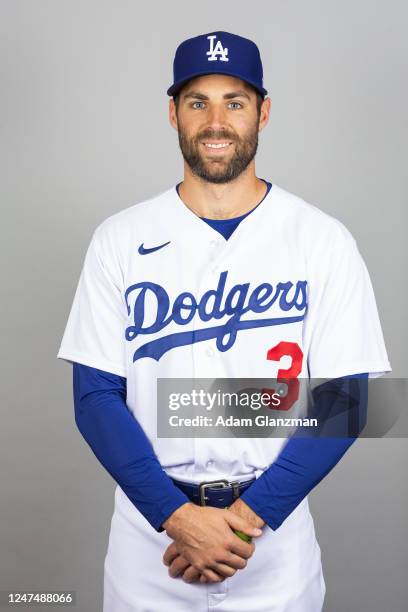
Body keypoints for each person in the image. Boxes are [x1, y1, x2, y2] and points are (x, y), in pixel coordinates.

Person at [57, 31, 391, 611]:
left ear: (262, 111)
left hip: (273, 538)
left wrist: (244, 519)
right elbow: (95, 398)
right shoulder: (120, 238)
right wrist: (175, 516)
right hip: (151, 542)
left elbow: (348, 399)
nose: (216, 121)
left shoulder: (322, 239)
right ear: (173, 114)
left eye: (234, 102)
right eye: (197, 102)